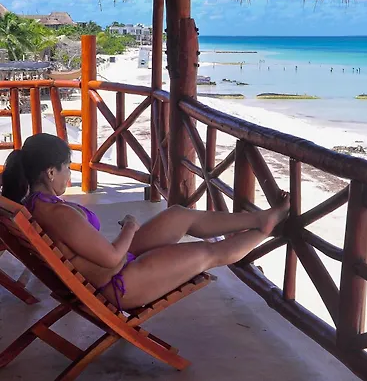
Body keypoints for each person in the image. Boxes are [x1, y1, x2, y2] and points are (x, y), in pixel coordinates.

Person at [1, 133, 290, 311]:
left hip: (114, 266)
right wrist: (130, 225)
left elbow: (103, 254)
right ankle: (269, 228)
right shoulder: (58, 214)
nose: (70, 175)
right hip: (119, 282)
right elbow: (111, 257)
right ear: (50, 172)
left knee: (178, 214)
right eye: (67, 167)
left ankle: (260, 217)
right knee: (207, 252)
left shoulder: (35, 204)